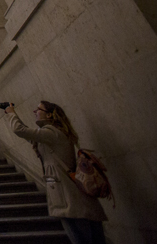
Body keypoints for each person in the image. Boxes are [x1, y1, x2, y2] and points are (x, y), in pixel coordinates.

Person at [6, 101, 107, 244]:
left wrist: (10, 113)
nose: (35, 111)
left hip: (68, 198)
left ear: (49, 114)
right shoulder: (54, 133)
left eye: (38, 109)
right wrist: (13, 114)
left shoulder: (52, 132)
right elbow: (29, 135)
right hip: (73, 196)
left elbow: (20, 131)